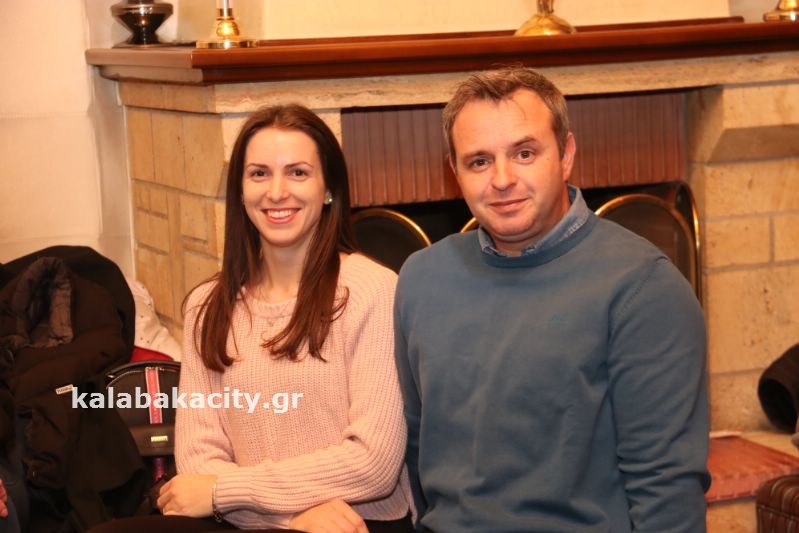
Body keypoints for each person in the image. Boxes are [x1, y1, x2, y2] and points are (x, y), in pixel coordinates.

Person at [393, 67, 710, 532]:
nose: (502, 179)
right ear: (454, 172)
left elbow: (667, 490)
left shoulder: (643, 287)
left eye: (524, 153)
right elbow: (418, 446)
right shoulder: (423, 278)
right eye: (479, 161)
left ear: (565, 155)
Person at [94, 104, 412, 533]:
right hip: (249, 520)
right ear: (240, 191)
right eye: (259, 174)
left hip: (356, 522)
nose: (276, 192)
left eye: (298, 173)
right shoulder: (208, 306)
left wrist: (223, 492)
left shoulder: (372, 291)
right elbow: (197, 458)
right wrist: (291, 516)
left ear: (329, 189)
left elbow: (373, 465)